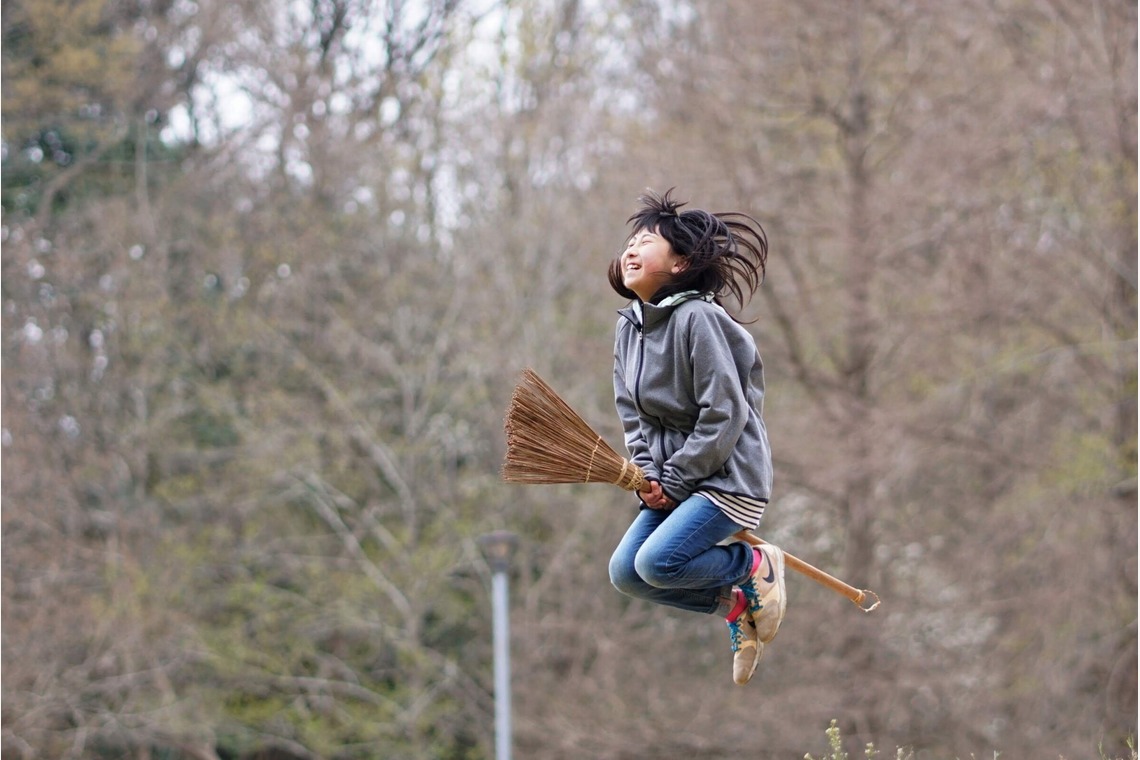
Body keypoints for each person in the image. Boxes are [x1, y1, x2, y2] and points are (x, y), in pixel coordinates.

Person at [606, 188, 787, 685]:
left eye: (646, 242)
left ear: (681, 262)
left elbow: (723, 413)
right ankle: (737, 607)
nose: (631, 250)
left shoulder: (698, 319)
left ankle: (753, 564)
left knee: (657, 562)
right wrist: (648, 476)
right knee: (626, 573)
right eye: (630, 243)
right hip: (677, 482)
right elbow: (633, 415)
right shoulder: (629, 329)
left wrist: (677, 480)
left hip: (728, 478)